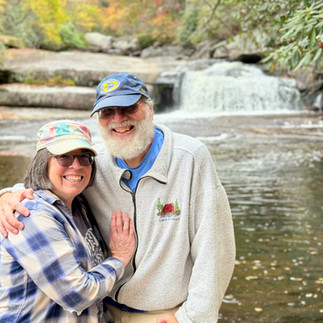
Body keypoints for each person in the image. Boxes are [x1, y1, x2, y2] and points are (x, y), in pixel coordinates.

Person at [0, 73, 236, 322]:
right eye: (107, 112)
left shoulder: (190, 157)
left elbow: (215, 249)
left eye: (129, 108)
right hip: (103, 311)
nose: (119, 119)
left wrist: (192, 317)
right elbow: (52, 184)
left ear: (149, 109)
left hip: (165, 316)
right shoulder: (91, 162)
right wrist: (8, 195)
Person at [0, 120, 135, 322]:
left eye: (84, 157)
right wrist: (120, 258)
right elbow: (77, 295)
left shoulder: (78, 206)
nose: (76, 165)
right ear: (42, 161)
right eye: (64, 157)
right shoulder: (30, 216)